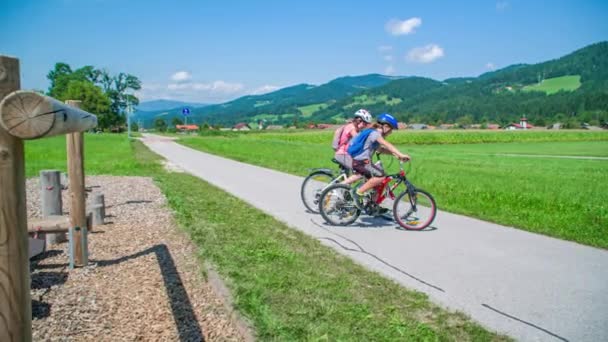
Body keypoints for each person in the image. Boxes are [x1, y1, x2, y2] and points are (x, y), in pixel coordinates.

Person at [349, 113, 410, 208]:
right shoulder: (375, 133)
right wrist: (400, 154)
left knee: (379, 181)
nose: (391, 132)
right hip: (361, 162)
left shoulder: (374, 133)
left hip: (360, 161)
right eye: (391, 129)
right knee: (381, 176)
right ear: (385, 126)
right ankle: (358, 193)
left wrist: (395, 155)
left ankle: (373, 206)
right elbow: (385, 144)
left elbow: (380, 149)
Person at [333, 109, 372, 184]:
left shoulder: (354, 128)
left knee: (356, 173)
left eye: (366, 124)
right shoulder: (351, 128)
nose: (365, 126)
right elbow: (358, 140)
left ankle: (346, 192)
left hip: (347, 155)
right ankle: (334, 188)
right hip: (342, 154)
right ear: (358, 120)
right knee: (361, 170)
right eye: (364, 123)